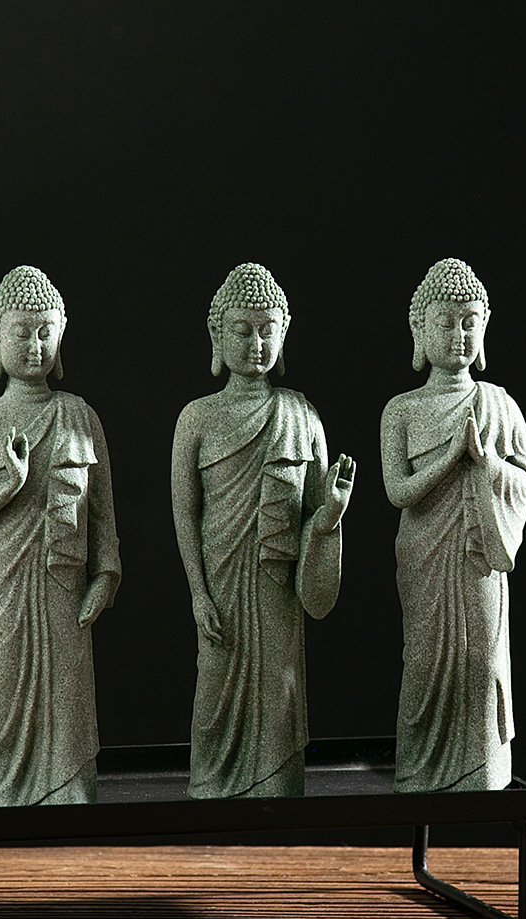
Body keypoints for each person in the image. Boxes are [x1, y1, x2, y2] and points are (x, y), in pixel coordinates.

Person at [172, 263, 354, 799]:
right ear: (217, 335)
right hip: (221, 583)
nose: (256, 343)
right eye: (242, 330)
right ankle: (213, 788)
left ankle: (276, 789)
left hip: (277, 589)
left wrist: (332, 514)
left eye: (267, 330)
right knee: (215, 687)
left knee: (279, 685)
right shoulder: (196, 418)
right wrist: (197, 592)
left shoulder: (301, 415)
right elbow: (185, 512)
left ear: (283, 335)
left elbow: (316, 515)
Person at [0, 266, 120, 807]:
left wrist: (106, 574)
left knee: (70, 684)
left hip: (65, 575)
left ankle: (70, 791)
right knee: (5, 682)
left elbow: (102, 510)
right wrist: (11, 486)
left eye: (46, 332)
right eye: (21, 332)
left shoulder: (80, 416)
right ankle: (2, 794)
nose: (34, 345)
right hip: (5, 574)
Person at [380, 259, 526, 793]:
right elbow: (398, 492)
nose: (458, 335)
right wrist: (452, 458)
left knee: (481, 659)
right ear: (419, 330)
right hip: (424, 554)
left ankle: (482, 768)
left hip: (478, 557)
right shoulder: (401, 410)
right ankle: (420, 770)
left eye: (470, 323)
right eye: (445, 323)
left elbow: (524, 477)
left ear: (484, 329)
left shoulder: (498, 405)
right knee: (424, 661)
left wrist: (486, 464)